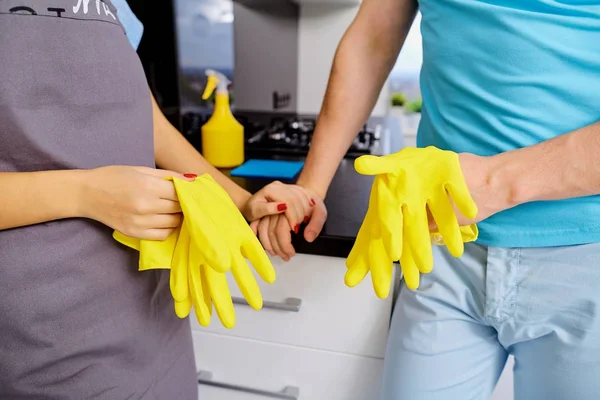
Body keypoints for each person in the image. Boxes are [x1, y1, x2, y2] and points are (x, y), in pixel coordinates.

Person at [259, 0, 600, 399]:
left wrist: (494, 183)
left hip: (584, 252)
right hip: (439, 244)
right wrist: (310, 187)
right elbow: (372, 39)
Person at [0, 1, 316, 398]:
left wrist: (241, 199)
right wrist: (83, 192)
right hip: (40, 336)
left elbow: (145, 120)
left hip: (153, 314)